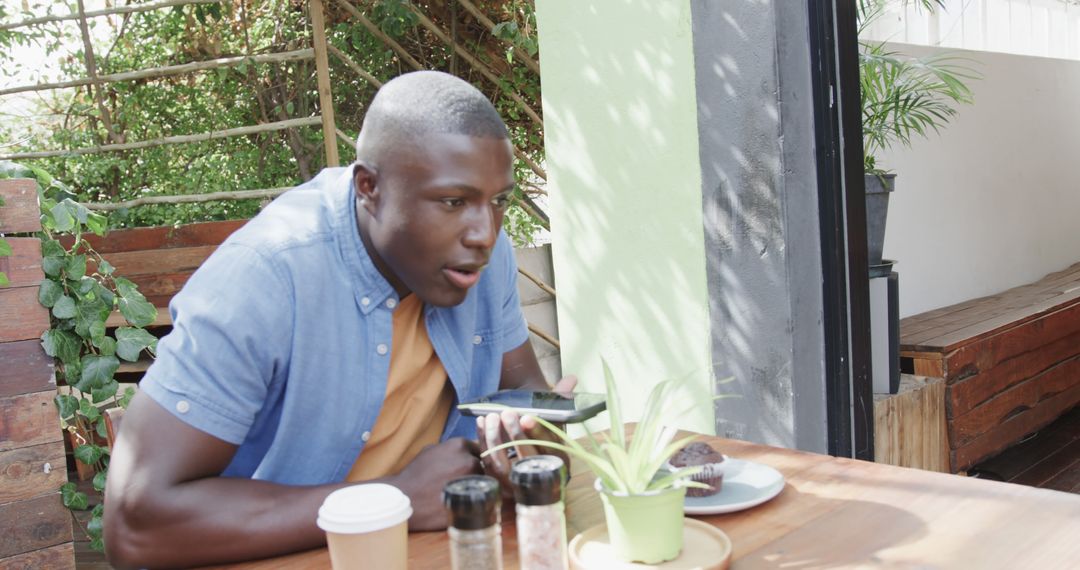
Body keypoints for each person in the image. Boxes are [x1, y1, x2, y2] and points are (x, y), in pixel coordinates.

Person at [104, 70, 574, 569]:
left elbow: (527, 403)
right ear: (369, 187)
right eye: (453, 202)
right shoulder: (264, 279)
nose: (484, 232)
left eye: (498, 201)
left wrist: (538, 447)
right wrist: (396, 500)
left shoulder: (481, 253)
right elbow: (135, 524)